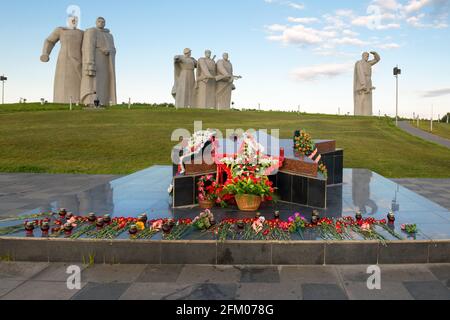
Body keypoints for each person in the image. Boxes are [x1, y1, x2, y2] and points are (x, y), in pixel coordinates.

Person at [40, 16, 83, 103]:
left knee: (78, 82)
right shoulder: (60, 30)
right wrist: (45, 53)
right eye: (72, 19)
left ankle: (79, 101)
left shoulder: (82, 33)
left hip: (79, 60)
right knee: (62, 83)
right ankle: (61, 101)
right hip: (64, 60)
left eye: (76, 20)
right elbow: (49, 41)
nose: (74, 21)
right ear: (68, 21)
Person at [80, 17, 117, 106]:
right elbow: (88, 46)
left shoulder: (109, 35)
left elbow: (114, 49)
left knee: (104, 82)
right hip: (95, 59)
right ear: (96, 22)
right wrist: (90, 62)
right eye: (99, 21)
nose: (101, 23)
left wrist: (109, 50)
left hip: (106, 61)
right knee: (93, 81)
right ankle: (90, 101)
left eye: (103, 22)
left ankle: (104, 101)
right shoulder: (91, 31)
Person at [354, 51, 381, 116]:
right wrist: (363, 83)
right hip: (362, 80)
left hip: (369, 80)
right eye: (366, 56)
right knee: (361, 97)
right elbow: (360, 72)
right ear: (363, 56)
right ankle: (359, 113)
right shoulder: (359, 63)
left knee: (368, 98)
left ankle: (367, 113)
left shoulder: (368, 63)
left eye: (368, 56)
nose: (367, 57)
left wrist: (375, 54)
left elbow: (377, 59)